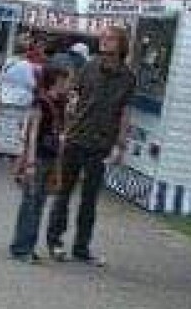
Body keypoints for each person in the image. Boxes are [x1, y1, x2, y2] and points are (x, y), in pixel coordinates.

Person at [45, 27, 135, 265]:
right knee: (63, 193)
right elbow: (72, 95)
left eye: (110, 38)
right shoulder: (89, 67)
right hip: (76, 137)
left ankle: (81, 248)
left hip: (101, 143)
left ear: (121, 45)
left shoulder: (128, 77)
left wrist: (120, 144)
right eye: (103, 38)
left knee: (90, 199)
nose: (104, 41)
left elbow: (125, 111)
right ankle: (55, 242)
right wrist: (65, 124)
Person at [9, 65, 70, 261]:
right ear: (56, 80)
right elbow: (33, 133)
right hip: (38, 158)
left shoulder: (61, 103)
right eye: (64, 80)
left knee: (39, 204)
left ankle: (29, 246)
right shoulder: (40, 102)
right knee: (30, 203)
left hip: (50, 157)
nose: (67, 84)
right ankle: (21, 248)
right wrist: (30, 162)